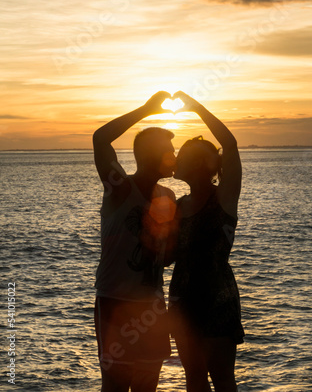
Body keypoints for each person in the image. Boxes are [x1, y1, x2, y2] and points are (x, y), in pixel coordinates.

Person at [93, 91, 178, 392]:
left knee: (147, 387)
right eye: (170, 151)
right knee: (115, 385)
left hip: (152, 307)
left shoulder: (168, 198)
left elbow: (166, 256)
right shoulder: (120, 189)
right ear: (153, 156)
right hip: (116, 302)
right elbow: (101, 140)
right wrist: (145, 110)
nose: (174, 156)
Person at [169, 91, 244, 392]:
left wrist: (196, 107)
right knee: (194, 377)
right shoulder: (178, 205)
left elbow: (230, 145)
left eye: (182, 156)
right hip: (183, 299)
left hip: (217, 298)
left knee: (222, 377)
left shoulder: (223, 198)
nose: (175, 159)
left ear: (199, 164)